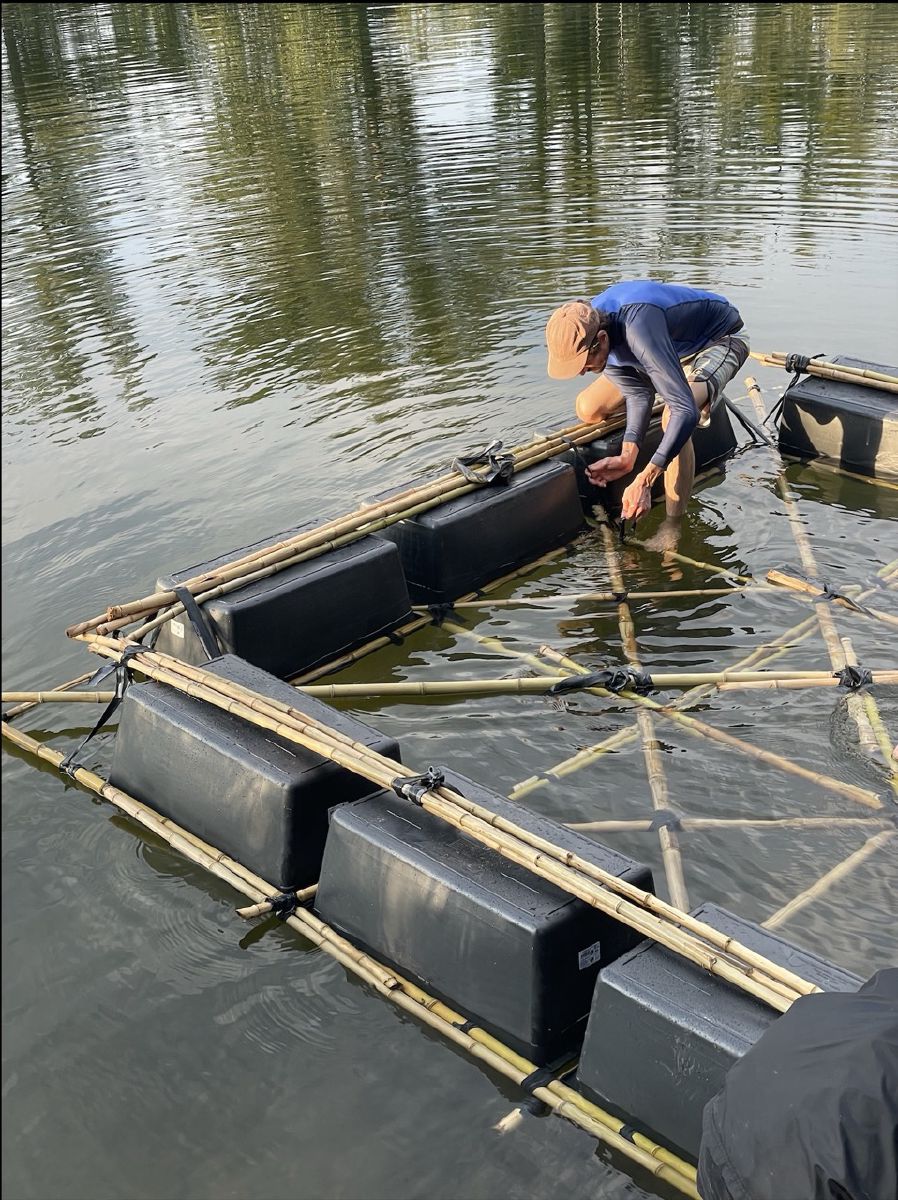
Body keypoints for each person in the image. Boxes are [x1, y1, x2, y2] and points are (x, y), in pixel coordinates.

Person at [545, 280, 749, 521]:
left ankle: (673, 525)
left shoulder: (637, 326)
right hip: (662, 351)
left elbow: (685, 411)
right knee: (588, 408)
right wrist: (628, 455)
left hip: (718, 340)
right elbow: (638, 393)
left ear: (602, 338)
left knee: (673, 416)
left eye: (583, 363)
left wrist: (645, 479)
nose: (581, 372)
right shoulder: (593, 329)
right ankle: (670, 387)